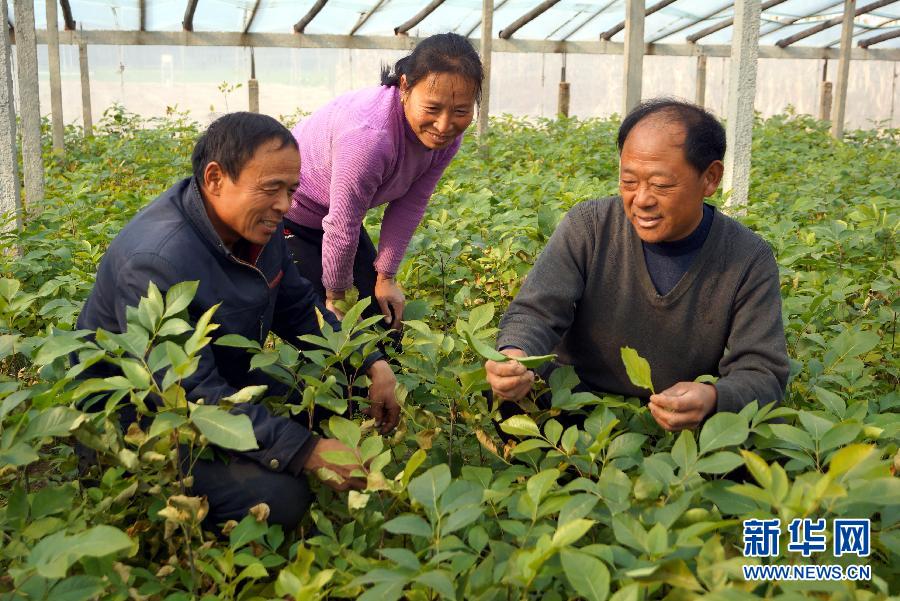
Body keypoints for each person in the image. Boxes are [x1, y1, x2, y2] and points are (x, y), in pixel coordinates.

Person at [76, 112, 400, 530]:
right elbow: (188, 395)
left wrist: (368, 361)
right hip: (144, 418)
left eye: (291, 190)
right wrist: (307, 452)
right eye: (271, 189)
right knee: (281, 500)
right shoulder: (156, 261)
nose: (285, 205)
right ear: (214, 178)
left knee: (343, 389)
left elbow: (301, 309)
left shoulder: (261, 229)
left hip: (222, 384)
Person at [485, 98, 790, 432]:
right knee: (509, 394)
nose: (641, 199)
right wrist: (516, 355)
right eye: (629, 181)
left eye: (660, 185)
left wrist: (713, 398)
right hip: (575, 404)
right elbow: (535, 312)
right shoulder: (589, 227)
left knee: (756, 436)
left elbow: (762, 371)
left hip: (673, 421)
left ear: (710, 178)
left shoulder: (747, 258)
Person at [284, 32, 483, 329]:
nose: (444, 125)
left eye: (460, 111)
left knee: (384, 326)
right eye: (432, 108)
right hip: (288, 216)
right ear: (404, 85)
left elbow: (410, 204)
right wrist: (337, 296)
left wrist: (385, 277)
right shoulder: (370, 137)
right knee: (325, 332)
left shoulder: (446, 139)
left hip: (332, 217)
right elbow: (343, 223)